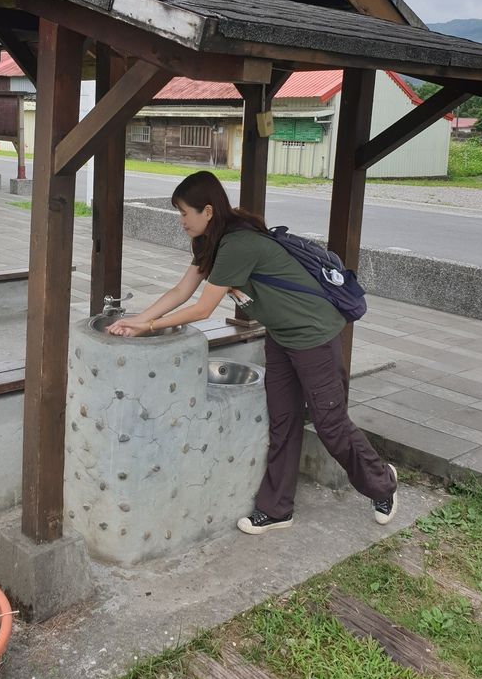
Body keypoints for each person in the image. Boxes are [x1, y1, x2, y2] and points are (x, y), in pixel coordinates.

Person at [108, 170, 397, 534]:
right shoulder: (211, 243)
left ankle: (382, 482)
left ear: (208, 211)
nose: (180, 221)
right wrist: (138, 319)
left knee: (330, 424)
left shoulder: (236, 245)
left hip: (313, 335)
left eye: (184, 213)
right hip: (280, 334)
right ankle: (277, 509)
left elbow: (201, 310)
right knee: (282, 420)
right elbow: (181, 291)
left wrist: (149, 327)